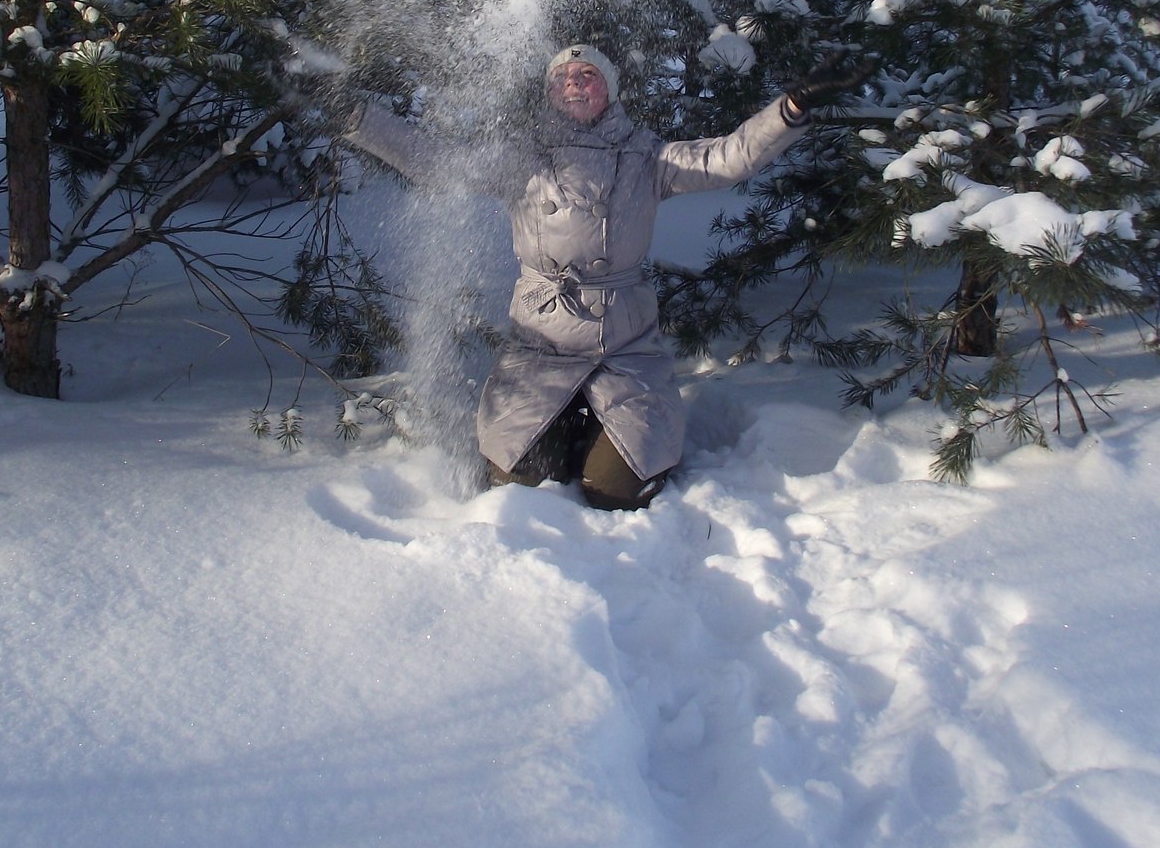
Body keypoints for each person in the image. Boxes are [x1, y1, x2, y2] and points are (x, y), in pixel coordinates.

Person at [344, 41, 853, 511]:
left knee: (615, 491)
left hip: (625, 350)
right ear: (549, 93)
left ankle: (600, 427)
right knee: (518, 485)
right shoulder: (521, 158)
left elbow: (729, 157)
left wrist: (791, 108)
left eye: (587, 74)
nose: (573, 82)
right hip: (539, 350)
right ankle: (566, 417)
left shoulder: (646, 157)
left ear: (609, 89)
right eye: (562, 76)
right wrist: (355, 115)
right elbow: (435, 160)